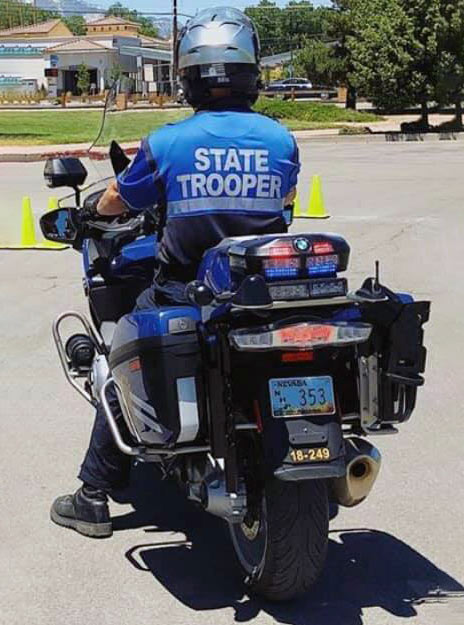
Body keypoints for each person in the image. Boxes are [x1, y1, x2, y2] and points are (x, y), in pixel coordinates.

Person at [50, 6, 301, 538]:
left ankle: (93, 494)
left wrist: (92, 213)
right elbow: (286, 202)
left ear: (188, 76)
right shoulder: (281, 141)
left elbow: (120, 199)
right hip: (262, 291)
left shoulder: (168, 142)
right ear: (252, 75)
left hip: (185, 288)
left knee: (122, 354)